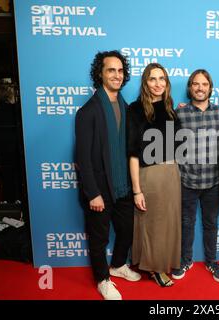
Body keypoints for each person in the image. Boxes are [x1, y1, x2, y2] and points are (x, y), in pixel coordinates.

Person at [75, 50, 141, 300]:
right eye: (110, 70)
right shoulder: (88, 111)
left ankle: (118, 265)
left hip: (123, 186)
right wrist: (93, 193)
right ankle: (103, 279)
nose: (116, 75)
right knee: (100, 238)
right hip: (101, 190)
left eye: (120, 70)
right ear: (100, 74)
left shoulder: (126, 107)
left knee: (127, 230)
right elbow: (82, 158)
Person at [127, 63, 181, 287]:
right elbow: (132, 153)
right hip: (150, 174)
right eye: (152, 79)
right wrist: (137, 189)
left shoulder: (170, 109)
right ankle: (156, 269)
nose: (158, 84)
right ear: (145, 83)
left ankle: (163, 262)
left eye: (162, 79)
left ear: (167, 83)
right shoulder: (136, 109)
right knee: (153, 224)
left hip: (172, 172)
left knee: (168, 223)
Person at [171, 69, 219, 282]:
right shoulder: (180, 114)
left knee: (211, 223)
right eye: (195, 84)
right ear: (190, 87)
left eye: (204, 84)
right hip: (187, 181)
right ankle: (186, 260)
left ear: (210, 88)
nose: (200, 88)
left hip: (213, 182)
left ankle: (212, 261)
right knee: (186, 223)